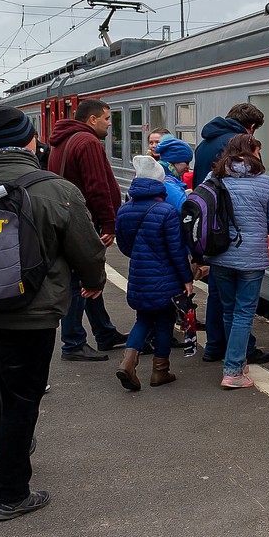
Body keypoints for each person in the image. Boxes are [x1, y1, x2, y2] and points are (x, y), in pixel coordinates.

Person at [0, 106, 106, 520]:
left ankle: (10, 448)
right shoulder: (56, 189)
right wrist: (94, 281)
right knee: (22, 397)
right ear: (32, 139)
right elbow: (86, 249)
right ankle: (11, 493)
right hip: (31, 312)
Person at [46, 98, 127, 361]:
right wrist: (109, 222)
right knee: (79, 280)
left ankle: (104, 332)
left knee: (90, 277)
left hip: (67, 218)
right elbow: (96, 186)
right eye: (106, 119)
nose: (108, 125)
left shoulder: (64, 139)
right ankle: (73, 343)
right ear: (92, 119)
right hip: (82, 222)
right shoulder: (88, 141)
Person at [191, 103, 268, 366]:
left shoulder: (205, 142)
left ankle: (214, 345)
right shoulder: (236, 145)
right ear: (251, 127)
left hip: (210, 227)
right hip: (229, 229)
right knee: (239, 304)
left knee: (219, 293)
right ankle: (240, 351)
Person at [206, 135, 269, 389]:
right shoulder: (264, 183)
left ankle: (236, 363)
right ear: (252, 152)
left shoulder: (214, 178)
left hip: (219, 256)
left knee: (230, 310)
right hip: (251, 258)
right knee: (243, 313)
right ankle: (232, 371)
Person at [113, 156, 194, 391]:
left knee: (143, 318)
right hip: (166, 275)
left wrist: (141, 255)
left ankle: (128, 362)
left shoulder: (125, 209)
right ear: (160, 182)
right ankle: (160, 371)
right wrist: (186, 279)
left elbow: (124, 245)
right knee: (165, 320)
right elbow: (176, 251)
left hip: (139, 274)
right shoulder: (166, 211)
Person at [154, 136, 193, 211]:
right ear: (174, 161)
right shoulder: (167, 183)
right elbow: (185, 208)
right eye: (186, 162)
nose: (188, 167)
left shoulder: (162, 177)